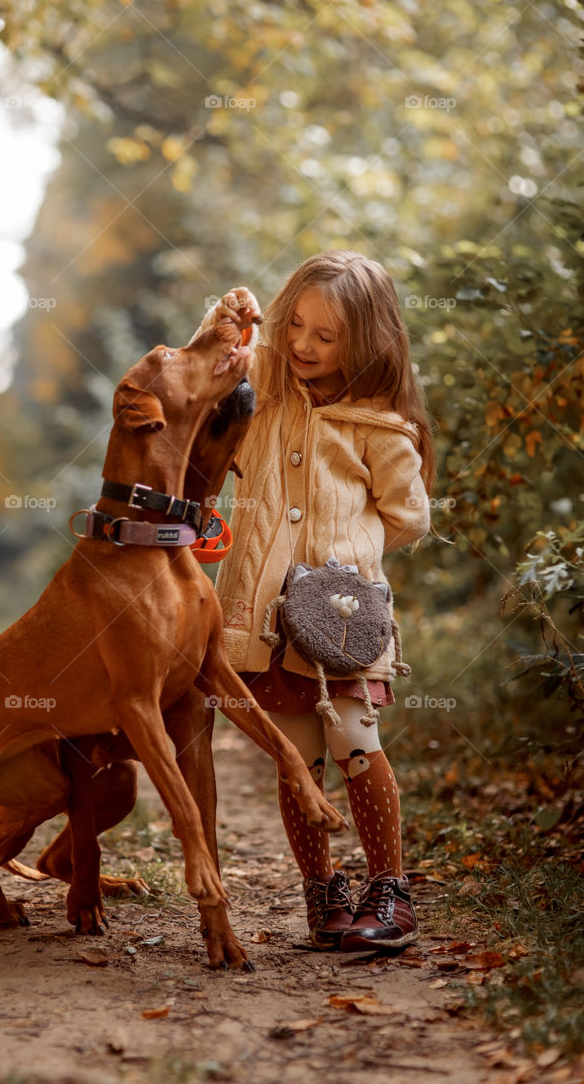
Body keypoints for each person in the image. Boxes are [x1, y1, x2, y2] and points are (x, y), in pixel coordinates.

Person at [194, 250, 434, 952]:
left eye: (324, 337)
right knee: (297, 757)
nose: (302, 344)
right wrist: (223, 320)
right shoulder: (261, 383)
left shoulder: (377, 425)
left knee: (355, 741)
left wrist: (344, 553)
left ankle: (388, 888)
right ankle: (322, 891)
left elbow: (408, 518)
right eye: (294, 325)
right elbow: (207, 365)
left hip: (341, 618)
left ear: (364, 341)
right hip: (264, 614)